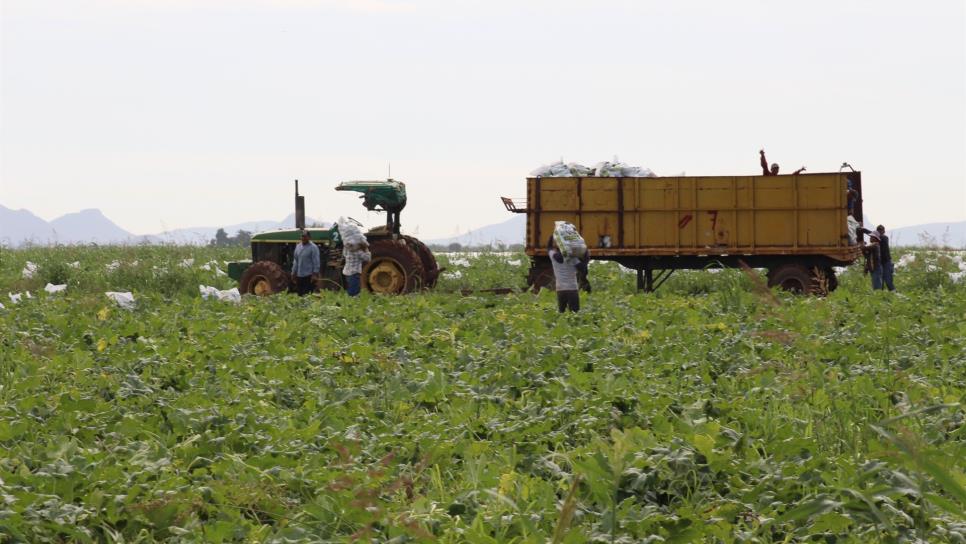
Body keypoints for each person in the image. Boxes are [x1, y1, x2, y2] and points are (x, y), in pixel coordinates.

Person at [548, 236, 590, 313]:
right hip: (572, 289)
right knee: (574, 314)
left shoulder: (553, 257)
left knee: (562, 313)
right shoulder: (573, 259)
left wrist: (553, 235)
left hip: (560, 290)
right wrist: (587, 255)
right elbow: (583, 269)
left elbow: (549, 247)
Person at [291, 230, 320, 296]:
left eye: (305, 237)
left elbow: (316, 262)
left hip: (309, 276)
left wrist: (315, 274)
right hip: (299, 275)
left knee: (307, 296)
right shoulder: (298, 246)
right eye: (302, 236)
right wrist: (293, 273)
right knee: (300, 295)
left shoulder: (313, 247)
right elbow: (295, 261)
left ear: (309, 237)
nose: (303, 238)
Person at [877, 224, 895, 291]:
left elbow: (880, 237)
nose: (881, 232)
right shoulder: (877, 240)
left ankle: (894, 294)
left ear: (883, 231)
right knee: (881, 282)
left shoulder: (884, 238)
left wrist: (865, 230)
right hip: (881, 263)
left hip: (886, 262)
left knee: (888, 281)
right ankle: (882, 297)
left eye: (881, 230)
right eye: (879, 231)